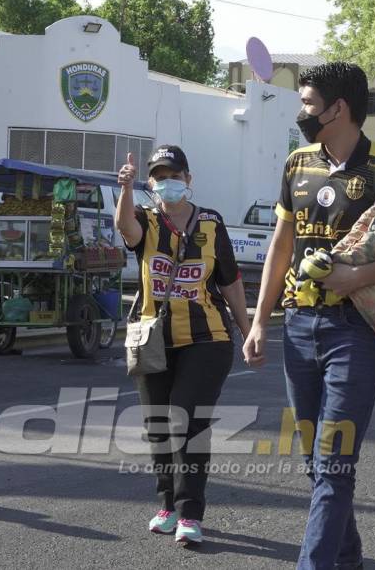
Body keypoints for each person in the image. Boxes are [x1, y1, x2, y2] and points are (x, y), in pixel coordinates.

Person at [240, 61, 375, 569]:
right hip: (298, 325)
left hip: (356, 331)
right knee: (316, 461)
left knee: (334, 464)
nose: (302, 113)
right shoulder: (297, 163)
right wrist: (260, 320)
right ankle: (348, 559)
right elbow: (280, 246)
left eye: (308, 103)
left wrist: (357, 278)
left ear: (339, 109)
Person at [116, 144, 252, 547]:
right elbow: (125, 229)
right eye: (159, 177)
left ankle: (190, 512)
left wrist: (248, 330)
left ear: (188, 179)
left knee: (188, 421)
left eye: (174, 176)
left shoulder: (211, 222)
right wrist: (125, 188)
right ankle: (167, 506)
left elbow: (229, 280)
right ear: (151, 183)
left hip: (207, 337)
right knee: (159, 425)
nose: (167, 183)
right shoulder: (145, 219)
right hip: (153, 339)